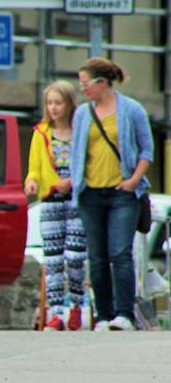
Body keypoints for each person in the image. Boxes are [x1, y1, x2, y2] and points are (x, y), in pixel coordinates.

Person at [70, 57, 154, 332]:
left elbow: (146, 150)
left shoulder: (131, 110)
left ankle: (124, 314)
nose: (82, 89)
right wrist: (75, 185)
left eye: (86, 84)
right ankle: (103, 316)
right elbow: (77, 153)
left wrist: (133, 181)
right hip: (91, 193)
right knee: (96, 256)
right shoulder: (83, 113)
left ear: (102, 83)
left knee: (120, 253)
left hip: (123, 193)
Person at [24, 81, 86, 330]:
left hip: (76, 199)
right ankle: (57, 313)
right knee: (52, 260)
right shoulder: (41, 133)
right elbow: (34, 169)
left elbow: (87, 164)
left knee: (75, 256)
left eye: (58, 103)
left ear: (70, 104)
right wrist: (31, 182)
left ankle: (77, 307)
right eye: (49, 103)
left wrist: (72, 181)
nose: (53, 108)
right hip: (50, 200)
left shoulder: (81, 132)